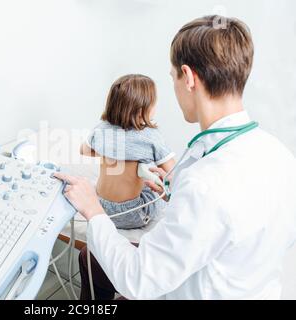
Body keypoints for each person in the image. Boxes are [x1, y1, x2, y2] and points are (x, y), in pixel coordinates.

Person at [56, 15, 296, 300]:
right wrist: (168, 186)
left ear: (189, 77)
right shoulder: (280, 155)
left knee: (109, 278)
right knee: (91, 261)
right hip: (252, 285)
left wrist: (93, 209)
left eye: (173, 78)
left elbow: (138, 281)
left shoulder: (205, 185)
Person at [81, 74, 175, 230]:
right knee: (152, 184)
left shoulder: (101, 129)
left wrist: (111, 153)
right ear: (142, 110)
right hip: (133, 213)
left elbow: (84, 151)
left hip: (100, 207)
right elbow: (173, 173)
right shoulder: (150, 136)